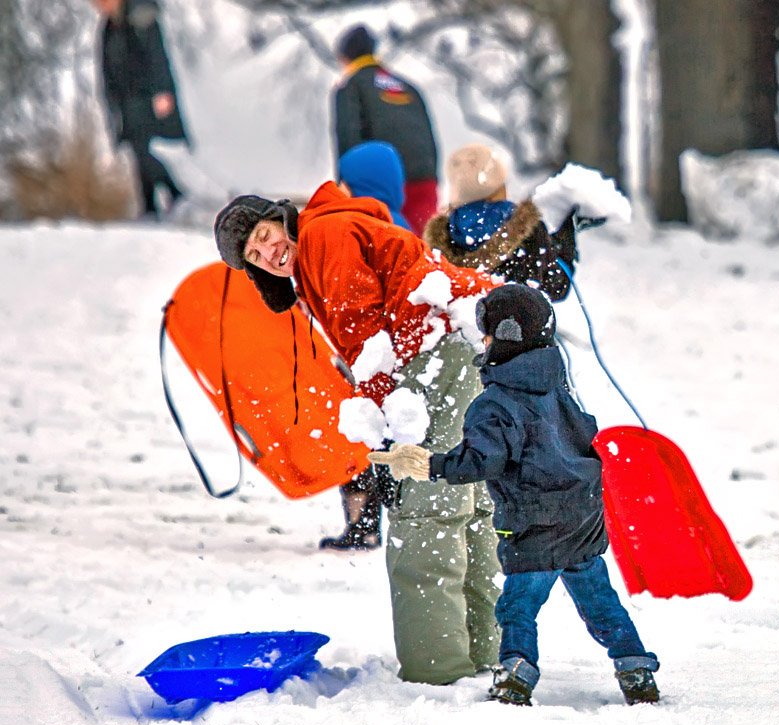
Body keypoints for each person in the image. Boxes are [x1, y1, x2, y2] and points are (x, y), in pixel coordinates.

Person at [213, 181, 503, 684]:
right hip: (466, 341)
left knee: (425, 510)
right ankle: (485, 651)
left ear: (281, 219)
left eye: (264, 235)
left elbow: (366, 339)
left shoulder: (323, 236)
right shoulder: (332, 229)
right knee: (467, 500)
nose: (268, 252)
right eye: (254, 255)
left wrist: (384, 438)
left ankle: (438, 669)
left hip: (437, 351)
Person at [368, 285, 660, 707]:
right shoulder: (557, 385)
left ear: (501, 337)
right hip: (582, 518)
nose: (482, 341)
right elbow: (586, 436)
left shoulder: (494, 403)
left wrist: (428, 464)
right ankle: (635, 666)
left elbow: (480, 462)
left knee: (517, 609)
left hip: (534, 525)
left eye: (485, 333)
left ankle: (516, 674)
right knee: (600, 604)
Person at [320, 141, 412, 551]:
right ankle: (395, 515)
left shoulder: (354, 228)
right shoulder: (405, 224)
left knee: (360, 438)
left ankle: (363, 522)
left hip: (370, 353)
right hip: (405, 356)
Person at [423, 143, 578, 302]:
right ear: (499, 186)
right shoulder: (527, 229)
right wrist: (565, 238)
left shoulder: (440, 242)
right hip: (514, 323)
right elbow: (556, 286)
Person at [332, 24, 439, 237]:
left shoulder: (352, 87)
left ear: (344, 57)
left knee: (385, 252)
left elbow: (348, 138)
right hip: (424, 181)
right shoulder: (408, 86)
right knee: (424, 252)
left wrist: (342, 189)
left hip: (379, 187)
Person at [91, 0, 187, 219]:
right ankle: (153, 204)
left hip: (148, 99)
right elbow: (107, 67)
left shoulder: (141, 14)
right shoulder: (108, 27)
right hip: (126, 102)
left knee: (150, 151)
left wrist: (162, 90)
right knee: (138, 151)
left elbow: (157, 55)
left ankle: (175, 194)